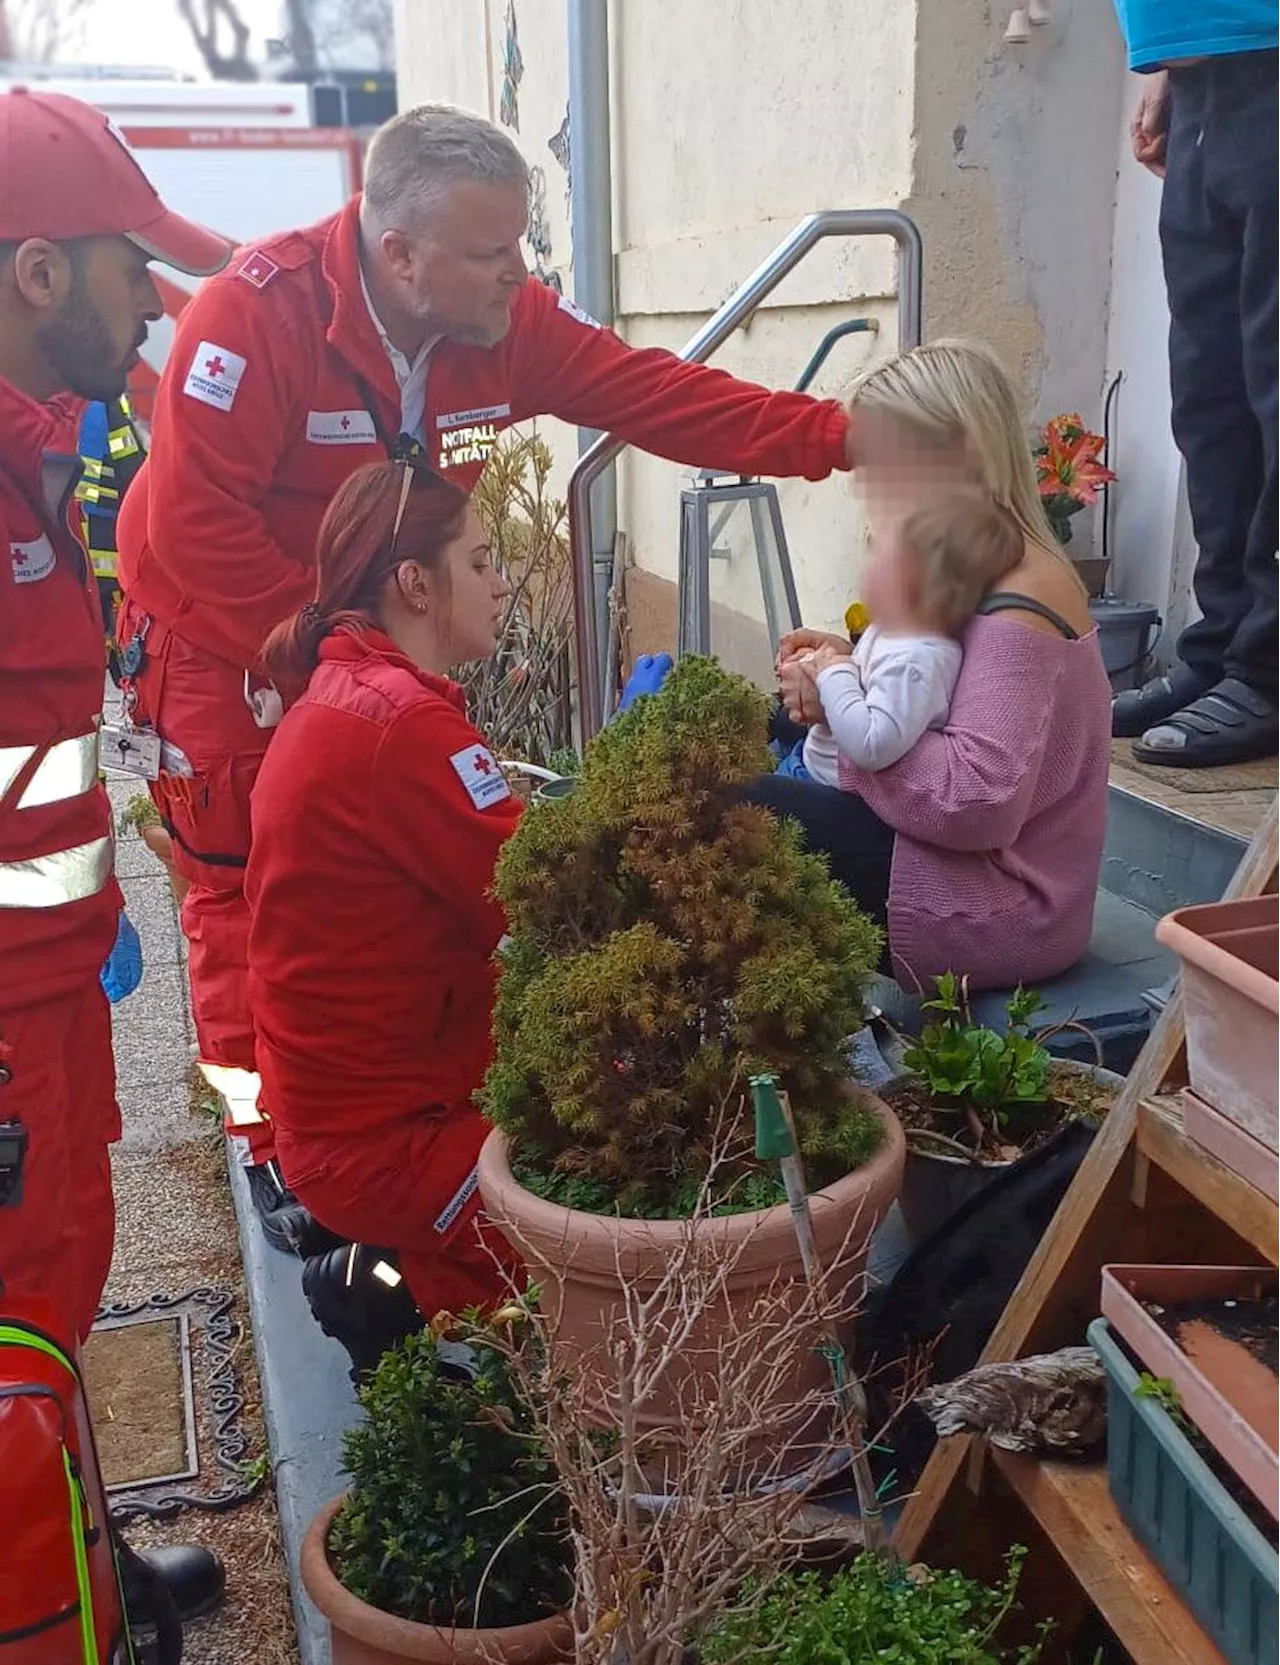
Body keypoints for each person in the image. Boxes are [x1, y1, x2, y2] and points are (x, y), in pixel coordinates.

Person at [115, 102, 862, 1255]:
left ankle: (394, 1115)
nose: (519, 274)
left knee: (382, 889)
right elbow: (188, 526)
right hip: (226, 645)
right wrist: (324, 663)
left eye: (522, 246)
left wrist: (836, 438)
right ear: (398, 254)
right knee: (238, 892)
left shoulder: (498, 323)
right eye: (491, 253)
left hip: (359, 646)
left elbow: (655, 394)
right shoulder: (255, 318)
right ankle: (274, 1149)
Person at [0, 86, 227, 1630]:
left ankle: (81, 1551)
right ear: (34, 276)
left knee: (62, 1283)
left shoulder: (33, 444)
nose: (144, 297)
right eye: (122, 267)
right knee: (14, 1316)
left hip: (53, 986)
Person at [244, 460, 523, 1351]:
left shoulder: (347, 696)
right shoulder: (399, 724)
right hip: (391, 1139)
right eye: (481, 562)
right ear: (414, 584)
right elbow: (548, 895)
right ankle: (391, 1292)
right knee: (600, 1242)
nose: (501, 582)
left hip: (356, 1117)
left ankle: (388, 1263)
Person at [755, 340, 1112, 991]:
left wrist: (841, 698)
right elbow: (941, 689)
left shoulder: (1025, 595)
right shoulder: (987, 556)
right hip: (962, 865)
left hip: (1000, 901)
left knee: (733, 816)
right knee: (764, 727)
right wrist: (844, 664)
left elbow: (976, 799)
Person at [1109, 7, 1280, 765]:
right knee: (1213, 399)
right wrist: (1179, 66)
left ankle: (1269, 669)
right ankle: (1223, 645)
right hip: (1204, 67)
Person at [785, 493, 1023, 781]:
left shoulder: (917, 660)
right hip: (811, 760)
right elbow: (873, 680)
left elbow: (871, 745)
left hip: (827, 789)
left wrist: (832, 673)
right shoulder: (898, 630)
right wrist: (834, 657)